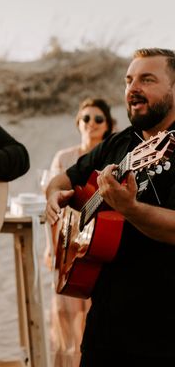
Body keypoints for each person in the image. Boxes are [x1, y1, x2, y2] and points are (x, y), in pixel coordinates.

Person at [46, 48, 175, 366]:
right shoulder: (118, 143)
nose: (133, 88)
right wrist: (54, 197)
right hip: (105, 332)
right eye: (129, 80)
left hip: (164, 336)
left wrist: (128, 208)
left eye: (147, 79)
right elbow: (63, 179)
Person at [45, 97, 113, 367]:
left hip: (100, 246)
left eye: (98, 119)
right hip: (67, 244)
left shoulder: (112, 158)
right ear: (78, 123)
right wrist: (53, 249)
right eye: (86, 118)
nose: (91, 124)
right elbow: (53, 203)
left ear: (107, 125)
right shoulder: (64, 158)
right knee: (65, 314)